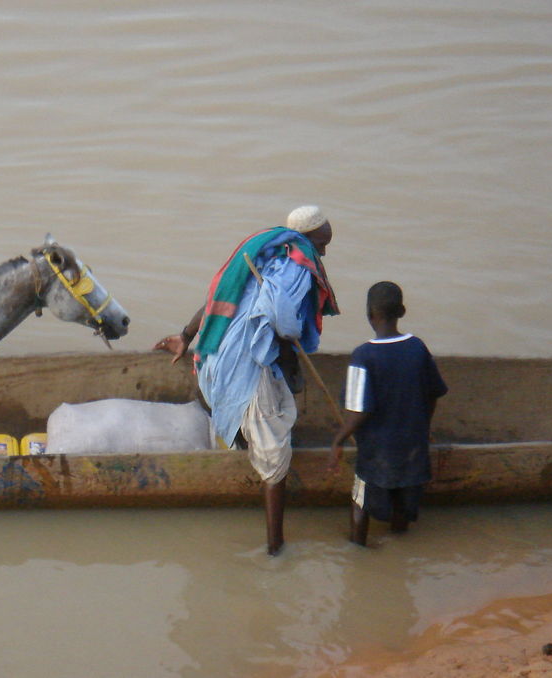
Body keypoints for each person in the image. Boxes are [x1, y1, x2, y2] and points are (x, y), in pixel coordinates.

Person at [155, 205, 339, 555]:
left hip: (213, 361)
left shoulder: (263, 255)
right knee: (275, 456)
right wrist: (290, 338)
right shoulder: (295, 265)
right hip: (246, 366)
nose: (324, 252)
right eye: (323, 243)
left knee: (269, 415)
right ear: (312, 236)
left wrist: (185, 336)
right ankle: (275, 545)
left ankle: (247, 450)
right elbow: (280, 319)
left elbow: (216, 300)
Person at [327, 281, 448, 546]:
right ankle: (398, 547)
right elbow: (433, 394)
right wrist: (424, 427)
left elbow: (360, 411)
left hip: (376, 453)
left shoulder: (363, 356)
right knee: (403, 504)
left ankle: (358, 547)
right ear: (402, 311)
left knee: (360, 501)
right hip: (412, 448)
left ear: (370, 314)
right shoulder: (417, 348)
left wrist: (338, 439)